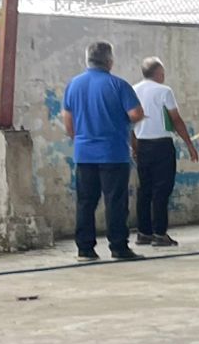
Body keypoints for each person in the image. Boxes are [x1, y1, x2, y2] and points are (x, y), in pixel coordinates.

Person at [61, 41, 144, 262]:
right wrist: (120, 121)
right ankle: (118, 247)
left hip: (84, 153)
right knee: (115, 202)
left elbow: (68, 121)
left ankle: (85, 249)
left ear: (87, 60)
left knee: (85, 202)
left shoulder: (73, 85)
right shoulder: (118, 85)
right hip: (113, 152)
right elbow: (136, 113)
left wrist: (80, 139)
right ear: (109, 61)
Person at [131, 57, 199, 248]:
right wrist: (189, 144)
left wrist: (134, 146)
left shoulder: (133, 90)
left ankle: (143, 233)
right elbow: (176, 120)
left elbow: (129, 122)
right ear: (159, 73)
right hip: (161, 145)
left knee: (144, 189)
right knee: (161, 190)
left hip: (142, 144)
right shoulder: (164, 91)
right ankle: (160, 233)